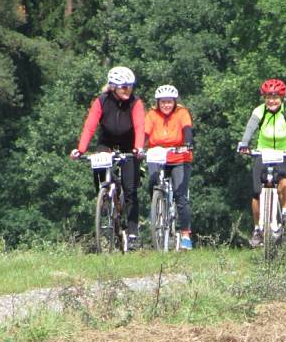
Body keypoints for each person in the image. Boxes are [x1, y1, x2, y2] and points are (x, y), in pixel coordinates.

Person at [70, 66, 145, 249]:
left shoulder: (136, 103)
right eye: (123, 87)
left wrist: (138, 148)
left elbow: (140, 126)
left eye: (130, 86)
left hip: (129, 145)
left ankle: (133, 232)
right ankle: (103, 198)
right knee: (98, 166)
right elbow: (90, 125)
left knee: (130, 190)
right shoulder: (101, 101)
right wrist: (81, 149)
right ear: (113, 87)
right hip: (107, 142)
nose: (127, 90)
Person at [237, 78, 286, 247]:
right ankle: (258, 229)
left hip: (285, 152)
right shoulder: (260, 111)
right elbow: (251, 127)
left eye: (275, 97)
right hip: (263, 151)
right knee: (255, 191)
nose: (271, 100)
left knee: (282, 176)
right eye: (268, 97)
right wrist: (244, 143)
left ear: (282, 98)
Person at [144, 84, 194, 250]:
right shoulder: (152, 114)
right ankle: (156, 208)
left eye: (169, 102)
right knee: (152, 183)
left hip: (179, 156)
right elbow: (145, 132)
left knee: (180, 196)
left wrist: (187, 143)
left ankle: (186, 234)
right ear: (158, 103)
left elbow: (187, 129)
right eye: (163, 102)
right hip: (157, 156)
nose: (166, 105)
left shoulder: (182, 113)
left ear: (175, 102)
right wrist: (138, 146)